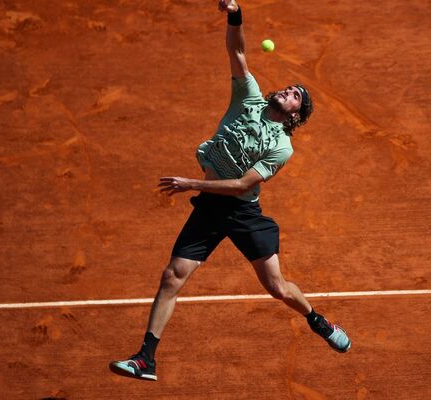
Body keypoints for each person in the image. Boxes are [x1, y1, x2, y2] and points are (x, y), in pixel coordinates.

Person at [109, 0, 351, 381]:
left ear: (295, 116)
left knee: (277, 288)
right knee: (172, 276)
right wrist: (235, 13)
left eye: (295, 96)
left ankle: (317, 320)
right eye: (289, 88)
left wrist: (191, 183)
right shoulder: (248, 97)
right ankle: (146, 359)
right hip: (210, 206)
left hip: (241, 212)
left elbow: (241, 184)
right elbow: (237, 50)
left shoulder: (282, 147)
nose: (288, 91)